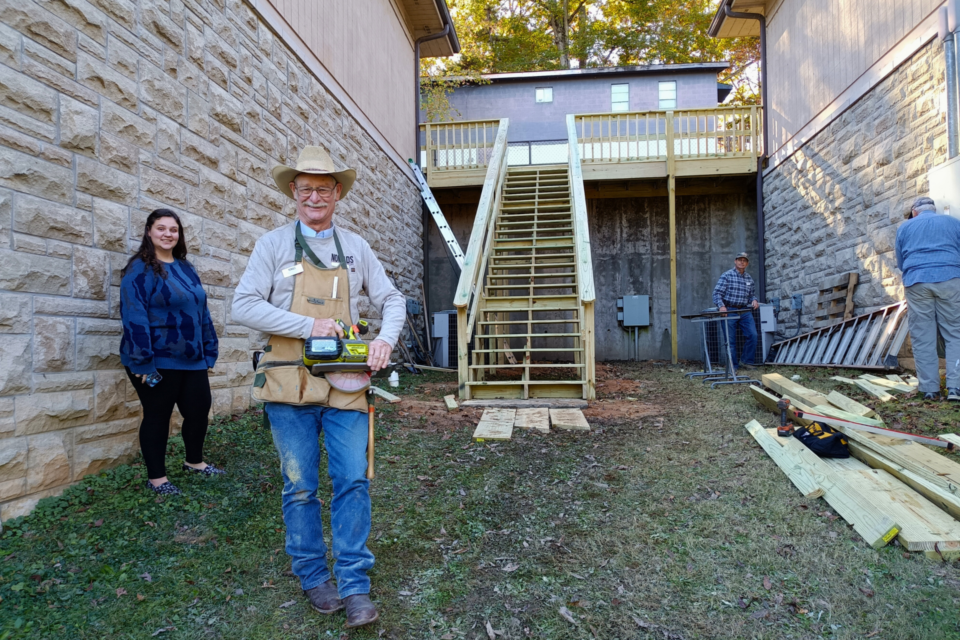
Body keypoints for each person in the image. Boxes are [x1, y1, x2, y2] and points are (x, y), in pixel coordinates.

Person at [232, 146, 405, 628]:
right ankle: (313, 576)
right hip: (288, 386)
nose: (314, 196)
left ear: (337, 194)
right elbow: (243, 306)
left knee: (352, 479)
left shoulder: (356, 247)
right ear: (293, 192)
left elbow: (392, 298)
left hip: (347, 383)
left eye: (323, 189)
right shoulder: (271, 246)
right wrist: (309, 325)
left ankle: (354, 584)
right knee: (301, 485)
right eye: (305, 188)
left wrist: (384, 340)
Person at [120, 209, 222, 496]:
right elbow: (133, 316)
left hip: (191, 358)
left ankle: (194, 462)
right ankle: (157, 479)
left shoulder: (186, 267)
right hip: (155, 360)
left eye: (173, 230)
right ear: (149, 232)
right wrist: (143, 362)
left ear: (179, 234)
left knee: (199, 410)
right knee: (157, 415)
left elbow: (200, 310)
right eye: (161, 228)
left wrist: (209, 350)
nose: (168, 234)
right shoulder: (140, 269)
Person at [895, 196, 960, 401]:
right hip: (950, 278)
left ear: (915, 211)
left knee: (923, 336)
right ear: (934, 209)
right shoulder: (953, 223)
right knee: (955, 333)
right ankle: (955, 389)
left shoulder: (905, 228)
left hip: (917, 281)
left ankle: (930, 389)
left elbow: (900, 261)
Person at [712, 252, 760, 369]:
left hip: (744, 311)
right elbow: (717, 293)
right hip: (729, 310)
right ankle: (733, 366)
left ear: (747, 263)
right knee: (730, 340)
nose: (742, 262)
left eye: (744, 260)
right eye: (740, 260)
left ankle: (746, 361)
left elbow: (751, 295)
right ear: (735, 261)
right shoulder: (727, 275)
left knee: (752, 335)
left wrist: (754, 300)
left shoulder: (749, 278)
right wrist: (721, 306)